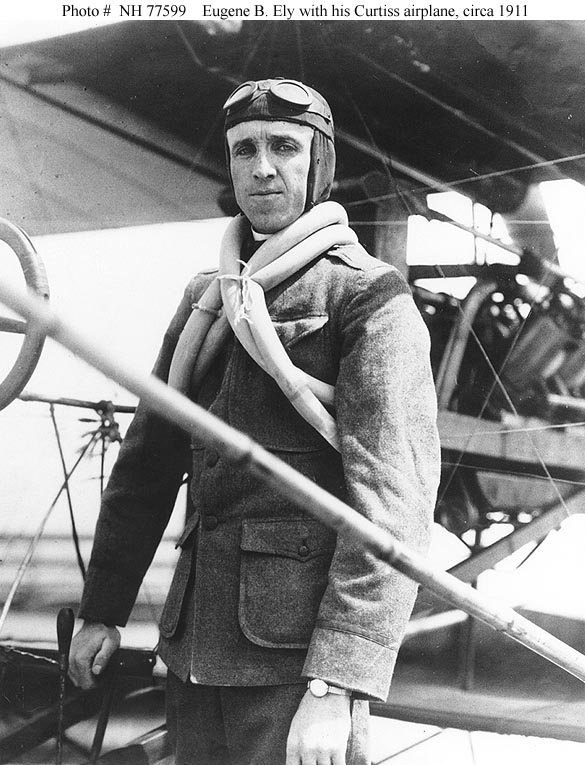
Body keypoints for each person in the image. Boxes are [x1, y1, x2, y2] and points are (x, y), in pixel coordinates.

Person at [68, 77, 441, 765]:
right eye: (244, 150)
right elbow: (148, 460)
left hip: (294, 665)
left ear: (318, 164)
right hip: (194, 651)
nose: (261, 167)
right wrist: (103, 608)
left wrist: (335, 682)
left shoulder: (369, 296)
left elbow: (393, 505)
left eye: (283, 147)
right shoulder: (206, 297)